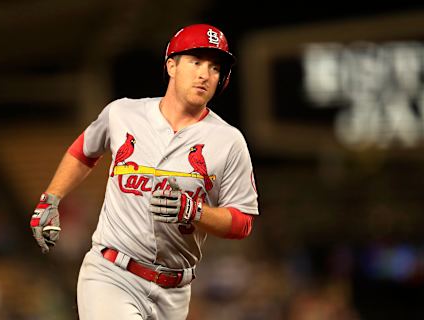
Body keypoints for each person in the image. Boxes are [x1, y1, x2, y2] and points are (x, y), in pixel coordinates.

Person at [30, 23, 259, 320]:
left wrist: (196, 212)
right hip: (112, 274)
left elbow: (242, 222)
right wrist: (51, 198)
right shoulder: (123, 113)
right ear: (172, 66)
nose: (205, 74)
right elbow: (84, 151)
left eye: (215, 67)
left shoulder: (228, 141)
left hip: (175, 292)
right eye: (196, 62)